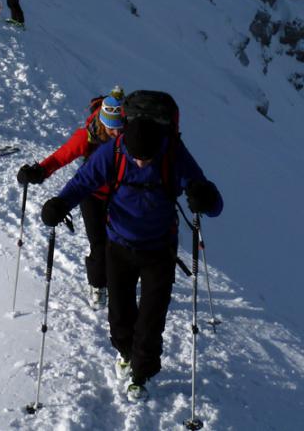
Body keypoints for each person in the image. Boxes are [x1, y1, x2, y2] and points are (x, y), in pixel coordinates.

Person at [40, 92, 223, 403]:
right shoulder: (112, 152)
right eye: (136, 157)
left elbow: (213, 202)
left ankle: (141, 373)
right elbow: (83, 181)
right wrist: (60, 204)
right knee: (119, 316)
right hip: (119, 245)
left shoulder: (173, 153)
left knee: (151, 319)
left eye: (147, 159)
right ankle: (126, 353)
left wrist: (205, 197)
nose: (141, 163)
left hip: (159, 250)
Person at [17, 87, 125, 309]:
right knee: (99, 243)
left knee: (120, 242)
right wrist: (39, 171)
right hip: (92, 195)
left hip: (122, 195)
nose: (116, 133)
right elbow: (61, 157)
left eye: (119, 128)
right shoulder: (87, 136)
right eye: (112, 128)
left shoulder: (129, 136)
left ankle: (121, 278)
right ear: (103, 123)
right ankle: (98, 285)